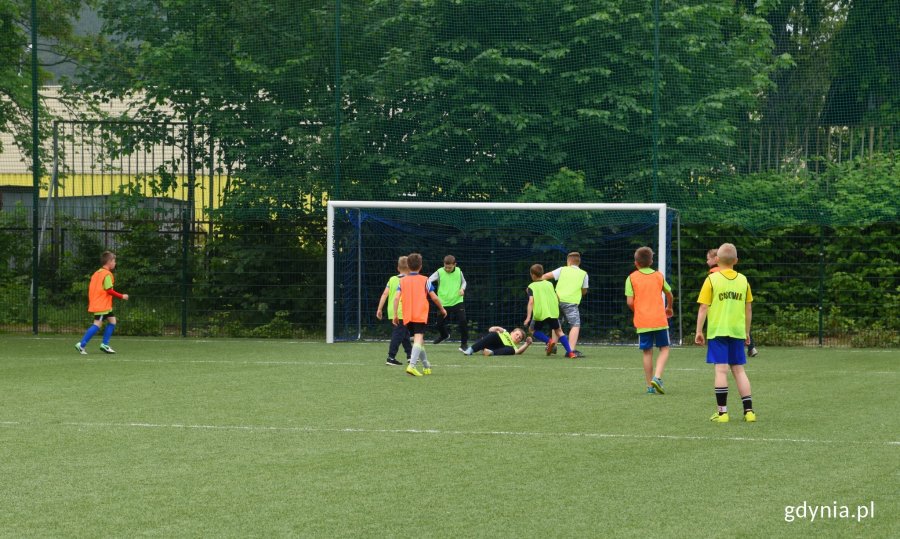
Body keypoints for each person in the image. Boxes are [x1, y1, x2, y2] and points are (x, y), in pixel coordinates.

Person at [695, 243, 756, 423]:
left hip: (718, 331)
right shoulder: (744, 280)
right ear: (736, 261)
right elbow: (748, 308)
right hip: (737, 331)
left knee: (721, 370)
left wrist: (699, 331)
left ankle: (722, 413)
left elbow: (704, 307)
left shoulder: (711, 280)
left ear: (717, 260)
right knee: (738, 369)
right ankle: (749, 412)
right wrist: (747, 332)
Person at [626, 247, 674, 394]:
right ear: (651, 261)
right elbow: (670, 294)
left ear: (636, 263)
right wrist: (669, 307)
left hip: (643, 321)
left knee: (647, 352)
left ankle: (650, 386)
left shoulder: (631, 277)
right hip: (659, 319)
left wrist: (638, 311)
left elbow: (629, 302)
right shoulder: (658, 276)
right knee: (664, 349)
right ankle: (657, 377)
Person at [393, 253, 446, 377]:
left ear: (408, 266)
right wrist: (442, 309)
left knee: (419, 341)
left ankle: (426, 365)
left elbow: (396, 299)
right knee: (418, 338)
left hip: (407, 315)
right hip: (420, 314)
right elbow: (434, 297)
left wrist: (395, 314)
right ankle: (411, 366)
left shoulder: (402, 281)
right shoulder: (425, 280)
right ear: (420, 266)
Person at [75, 251, 129, 355]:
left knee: (112, 321)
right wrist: (122, 296)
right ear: (109, 262)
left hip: (101, 303)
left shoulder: (97, 273)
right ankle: (81, 344)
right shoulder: (107, 274)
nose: (115, 263)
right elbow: (109, 290)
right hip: (102, 305)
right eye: (114, 261)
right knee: (97, 325)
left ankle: (105, 344)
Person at [708, 248, 758, 358]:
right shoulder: (741, 278)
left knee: (721, 367)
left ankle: (728, 350)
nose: (707, 262)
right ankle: (751, 347)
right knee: (740, 326)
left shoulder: (713, 273)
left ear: (716, 259)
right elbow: (748, 307)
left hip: (722, 310)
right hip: (736, 311)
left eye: (708, 259)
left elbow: (708, 298)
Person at [542, 251, 588, 357]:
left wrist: (548, 291)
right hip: (571, 303)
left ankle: (553, 346)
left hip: (556, 300)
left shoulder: (562, 270)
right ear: (578, 262)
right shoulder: (584, 274)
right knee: (575, 325)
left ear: (568, 261)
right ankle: (571, 350)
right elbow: (584, 291)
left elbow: (544, 276)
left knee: (556, 323)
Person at [524, 263, 574, 358]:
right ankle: (570, 353)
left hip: (540, 313)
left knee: (532, 330)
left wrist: (528, 317)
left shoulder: (531, 286)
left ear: (533, 275)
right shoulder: (549, 284)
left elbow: (531, 302)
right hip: (552, 312)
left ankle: (549, 341)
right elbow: (556, 297)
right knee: (559, 331)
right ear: (542, 273)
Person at [376, 256, 412, 366]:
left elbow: (384, 294)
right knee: (398, 334)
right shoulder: (409, 280)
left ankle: (410, 356)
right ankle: (391, 357)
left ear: (398, 268)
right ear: (410, 268)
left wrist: (379, 308)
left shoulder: (392, 279)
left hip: (392, 310)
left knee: (405, 334)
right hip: (402, 311)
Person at [429, 254, 469, 352]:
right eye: (446, 267)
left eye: (450, 267)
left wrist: (462, 289)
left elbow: (464, 282)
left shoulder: (459, 271)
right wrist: (432, 290)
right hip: (443, 303)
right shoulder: (439, 272)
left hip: (457, 301)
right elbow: (428, 281)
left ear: (455, 264)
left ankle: (464, 344)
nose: (447, 269)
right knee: (439, 324)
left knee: (463, 321)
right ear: (444, 264)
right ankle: (444, 335)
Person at [461, 327, 532, 356]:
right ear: (512, 332)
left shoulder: (513, 346)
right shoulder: (505, 332)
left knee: (511, 350)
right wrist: (497, 328)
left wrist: (527, 344)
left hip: (498, 349)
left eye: (519, 338)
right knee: (494, 334)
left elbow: (519, 351)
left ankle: (491, 353)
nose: (517, 337)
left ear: (519, 342)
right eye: (517, 334)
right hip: (491, 342)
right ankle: (470, 350)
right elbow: (490, 329)